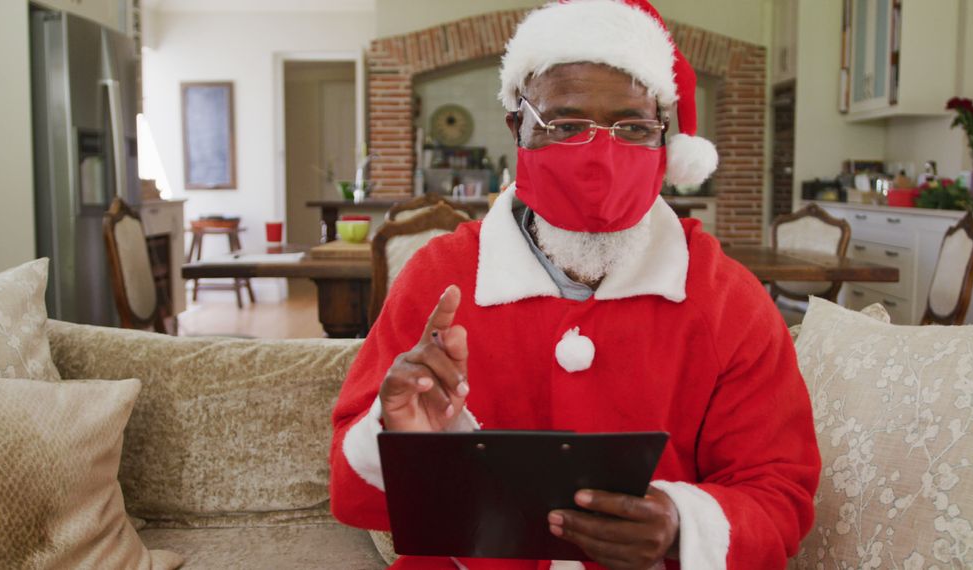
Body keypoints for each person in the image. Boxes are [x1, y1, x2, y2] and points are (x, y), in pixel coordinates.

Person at [330, 1, 820, 568]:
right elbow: (351, 483)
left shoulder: (728, 299)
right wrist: (403, 438)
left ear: (665, 140)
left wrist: (682, 525)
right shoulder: (439, 278)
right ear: (518, 126)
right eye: (565, 125)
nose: (600, 158)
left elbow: (778, 492)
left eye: (633, 127)